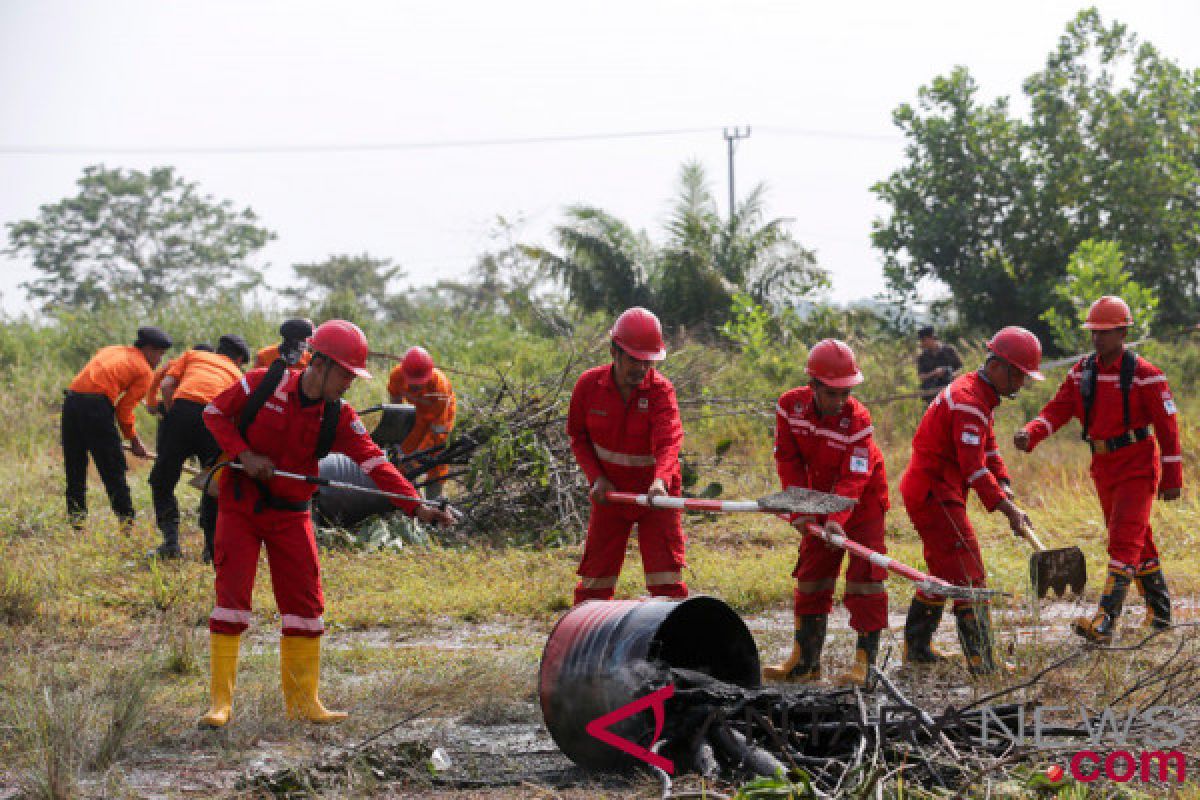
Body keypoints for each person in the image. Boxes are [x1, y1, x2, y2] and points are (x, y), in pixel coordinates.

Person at [199, 319, 456, 728]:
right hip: (240, 507)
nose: (351, 382)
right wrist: (244, 455)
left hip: (293, 513)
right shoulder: (260, 384)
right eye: (347, 373)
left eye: (355, 375)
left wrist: (417, 506)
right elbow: (214, 415)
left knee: (306, 608)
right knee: (231, 600)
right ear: (319, 363)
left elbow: (375, 463)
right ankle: (220, 705)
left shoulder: (339, 416)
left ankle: (304, 703)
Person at [1014, 296, 1182, 643]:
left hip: (1137, 465)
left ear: (1123, 332)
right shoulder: (1081, 373)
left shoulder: (1146, 376)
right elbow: (1056, 410)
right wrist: (1030, 434)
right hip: (1103, 467)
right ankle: (1161, 613)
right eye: (1093, 332)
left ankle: (1105, 620)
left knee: (1123, 538)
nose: (1097, 338)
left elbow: (1168, 430)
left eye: (1105, 332)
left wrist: (1172, 477)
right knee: (1137, 539)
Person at [900, 326, 1042, 674]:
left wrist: (1004, 482)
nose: (1021, 385)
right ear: (999, 367)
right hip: (934, 493)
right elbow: (974, 469)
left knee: (943, 572)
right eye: (1019, 376)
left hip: (938, 490)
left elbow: (988, 447)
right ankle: (983, 661)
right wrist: (1008, 509)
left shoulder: (980, 395)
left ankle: (917, 650)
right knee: (968, 573)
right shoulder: (967, 402)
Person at [762, 340, 890, 686]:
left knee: (867, 576)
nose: (839, 401)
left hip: (861, 502)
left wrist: (836, 520)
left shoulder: (859, 418)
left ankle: (865, 667)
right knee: (812, 574)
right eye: (832, 393)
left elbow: (855, 476)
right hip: (815, 499)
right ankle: (804, 663)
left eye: (845, 392)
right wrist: (800, 509)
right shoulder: (791, 406)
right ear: (813, 385)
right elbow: (788, 460)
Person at [567, 307, 686, 605]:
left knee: (666, 582)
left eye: (648, 361)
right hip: (611, 494)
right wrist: (597, 479)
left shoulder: (661, 391)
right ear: (614, 352)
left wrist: (660, 482)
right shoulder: (588, 386)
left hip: (655, 497)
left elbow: (669, 441)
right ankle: (586, 644)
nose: (641, 369)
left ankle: (673, 645)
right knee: (595, 581)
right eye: (634, 359)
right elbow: (578, 437)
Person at [147, 335, 250, 561]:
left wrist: (173, 413)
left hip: (182, 411)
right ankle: (210, 550)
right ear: (240, 359)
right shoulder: (238, 375)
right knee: (213, 483)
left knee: (162, 480)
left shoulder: (194, 355)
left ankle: (170, 543)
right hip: (214, 419)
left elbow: (166, 385)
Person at [62, 326, 172, 528]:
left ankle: (76, 522)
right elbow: (123, 410)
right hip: (96, 407)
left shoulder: (111, 350)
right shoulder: (144, 371)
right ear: (149, 349)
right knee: (112, 467)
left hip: (71, 402)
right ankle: (127, 521)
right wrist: (135, 441)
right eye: (159, 354)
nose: (160, 360)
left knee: (74, 465)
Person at [387, 346, 457, 499]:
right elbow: (395, 403)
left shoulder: (440, 386)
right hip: (417, 416)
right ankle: (413, 502)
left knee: (436, 460)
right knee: (402, 460)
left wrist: (418, 455)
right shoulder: (397, 376)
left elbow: (437, 429)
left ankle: (435, 501)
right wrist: (397, 436)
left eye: (419, 382)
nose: (415, 386)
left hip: (440, 421)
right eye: (412, 381)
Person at [916, 326, 962, 405]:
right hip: (932, 395)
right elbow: (921, 376)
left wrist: (951, 374)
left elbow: (960, 367)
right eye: (921, 340)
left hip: (950, 392)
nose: (922, 343)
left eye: (924, 340)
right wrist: (934, 373)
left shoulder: (949, 350)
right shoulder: (922, 357)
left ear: (931, 338)